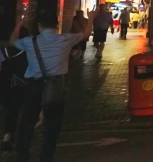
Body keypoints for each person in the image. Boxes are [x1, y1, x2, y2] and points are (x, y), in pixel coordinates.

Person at [10, 9, 95, 162]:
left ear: (40, 26)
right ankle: (46, 157)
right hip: (56, 86)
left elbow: (13, 41)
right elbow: (86, 33)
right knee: (52, 125)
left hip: (34, 86)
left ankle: (23, 153)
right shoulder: (65, 39)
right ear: (56, 25)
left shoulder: (31, 41)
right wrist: (91, 18)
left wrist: (18, 25)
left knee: (28, 121)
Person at [0, 27, 29, 153]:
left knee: (6, 109)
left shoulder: (6, 51)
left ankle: (7, 135)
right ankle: (8, 136)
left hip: (4, 84)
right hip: (20, 85)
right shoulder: (30, 52)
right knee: (14, 111)